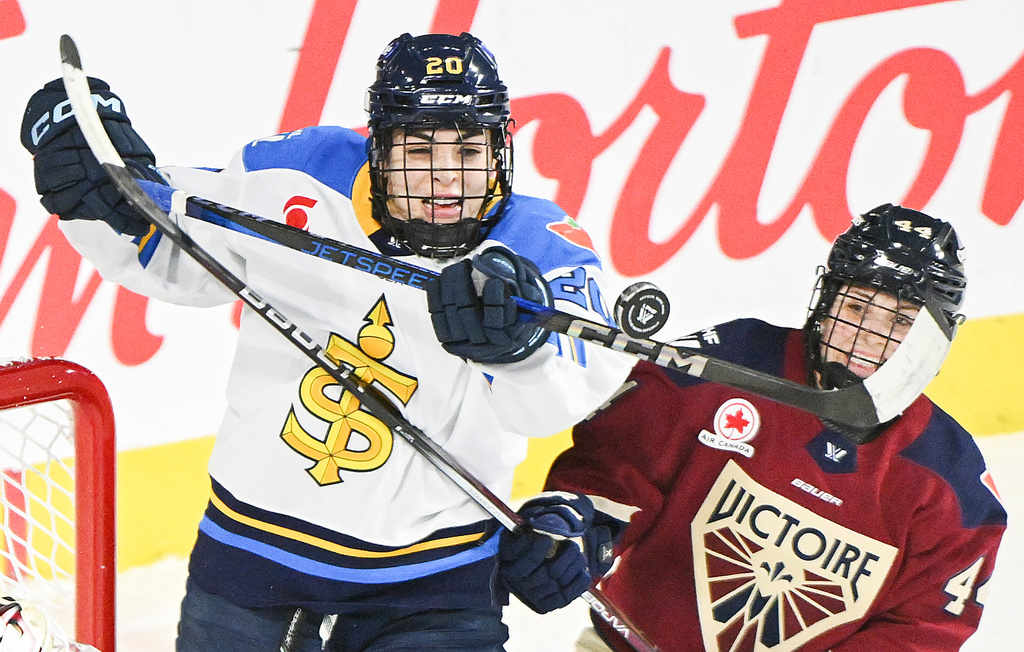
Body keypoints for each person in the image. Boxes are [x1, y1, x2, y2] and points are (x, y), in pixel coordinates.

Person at [21, 33, 632, 651]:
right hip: (248, 569)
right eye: (420, 148)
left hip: (436, 590)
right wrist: (93, 189)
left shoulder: (541, 245)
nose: (447, 176)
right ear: (380, 144)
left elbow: (569, 391)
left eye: (469, 148)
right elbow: (170, 242)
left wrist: (518, 351)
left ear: (499, 147)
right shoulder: (298, 175)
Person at [538, 205, 1007, 651]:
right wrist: (580, 532)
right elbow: (617, 467)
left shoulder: (955, 489)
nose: (869, 335)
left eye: (902, 321)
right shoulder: (730, 365)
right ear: (827, 300)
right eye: (858, 306)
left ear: (936, 339)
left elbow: (920, 631)